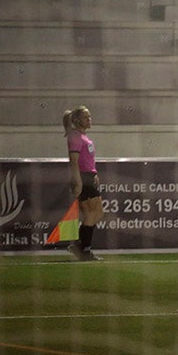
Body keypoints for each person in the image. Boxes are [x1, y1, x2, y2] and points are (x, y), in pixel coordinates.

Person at [62, 106, 104, 261]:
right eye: (86, 117)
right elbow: (74, 161)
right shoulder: (75, 136)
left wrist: (95, 173)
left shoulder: (83, 136)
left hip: (89, 176)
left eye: (89, 116)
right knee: (94, 212)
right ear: (78, 120)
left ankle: (81, 246)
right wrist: (78, 181)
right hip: (84, 178)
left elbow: (87, 159)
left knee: (93, 213)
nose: (89, 120)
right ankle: (83, 248)